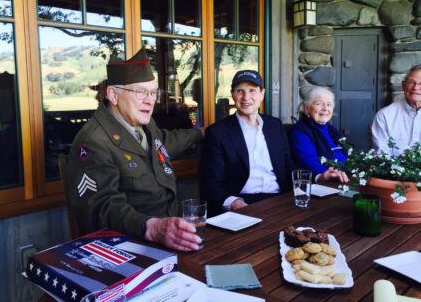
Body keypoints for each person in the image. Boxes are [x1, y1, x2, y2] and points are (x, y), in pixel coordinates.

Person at [67, 48, 204, 251]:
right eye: (140, 92)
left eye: (153, 92)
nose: (151, 100)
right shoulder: (94, 141)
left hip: (172, 237)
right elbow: (101, 207)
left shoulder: (143, 125)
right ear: (113, 95)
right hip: (133, 247)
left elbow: (164, 143)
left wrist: (201, 133)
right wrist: (152, 228)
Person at [201, 70, 348, 216]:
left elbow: (288, 166)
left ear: (262, 94)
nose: (246, 97)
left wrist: (319, 177)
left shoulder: (274, 126)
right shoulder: (218, 132)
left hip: (281, 199)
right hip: (244, 202)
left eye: (252, 91)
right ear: (232, 94)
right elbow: (210, 185)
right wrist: (234, 203)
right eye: (240, 91)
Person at [290, 87, 347, 174]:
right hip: (329, 181)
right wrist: (331, 175)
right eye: (319, 104)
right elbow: (310, 165)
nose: (325, 109)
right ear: (307, 108)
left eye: (329, 104)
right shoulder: (300, 132)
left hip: (347, 175)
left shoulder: (331, 130)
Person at [372, 64, 421, 155]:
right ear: (403, 85)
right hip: (393, 169)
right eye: (411, 82)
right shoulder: (385, 116)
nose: (415, 88)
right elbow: (382, 155)